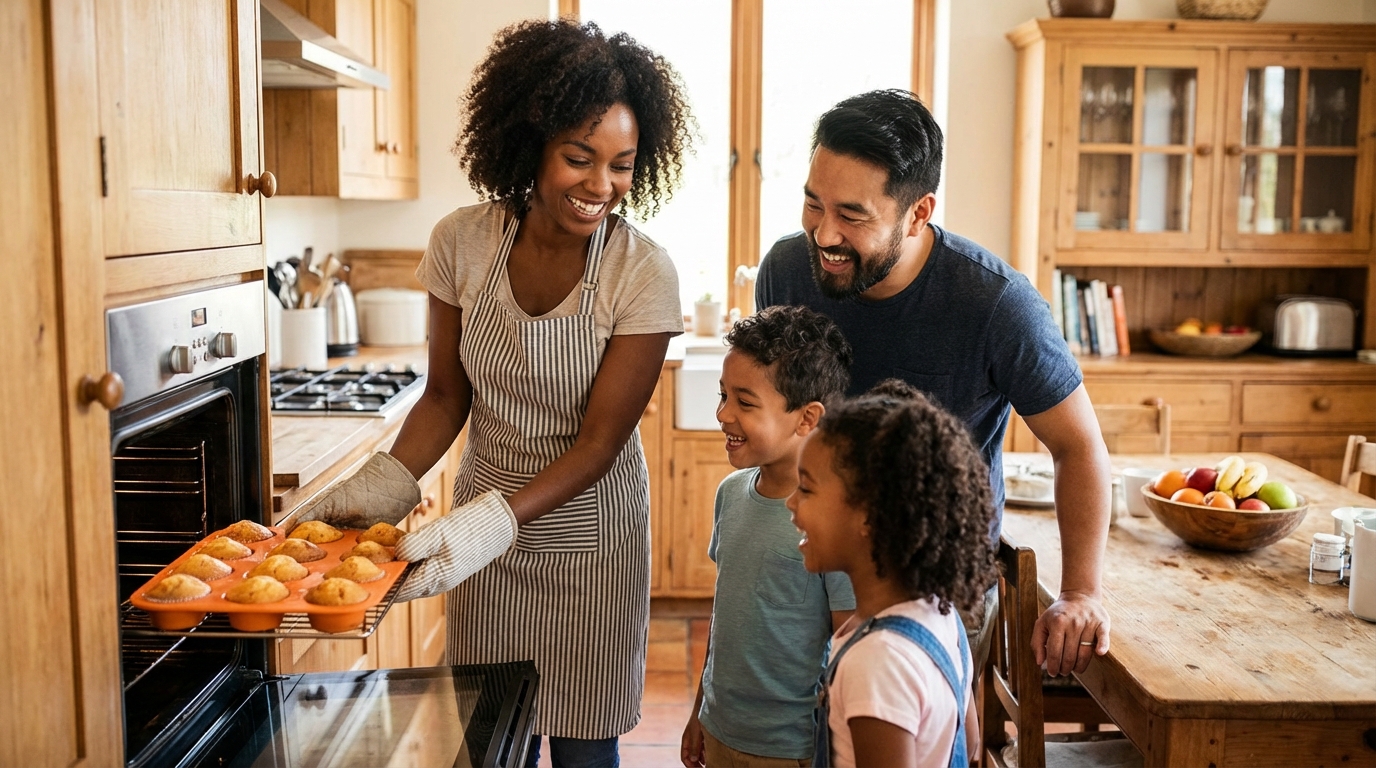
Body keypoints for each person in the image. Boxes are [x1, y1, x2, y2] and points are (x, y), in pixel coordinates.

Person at [291, 18, 693, 768]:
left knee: (583, 747)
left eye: (622, 165)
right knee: (486, 740)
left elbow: (600, 442)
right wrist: (383, 483)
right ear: (529, 141)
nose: (601, 186)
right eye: (580, 158)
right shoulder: (461, 243)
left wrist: (488, 522)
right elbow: (446, 397)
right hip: (479, 547)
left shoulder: (642, 273)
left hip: (590, 543)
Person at [755, 89, 1111, 677]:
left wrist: (1080, 593)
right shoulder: (787, 271)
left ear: (919, 212)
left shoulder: (996, 304)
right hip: (812, 563)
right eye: (813, 204)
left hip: (936, 589)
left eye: (852, 215)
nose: (823, 234)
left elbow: (1078, 447)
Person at [679, 306, 856, 768]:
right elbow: (727, 615)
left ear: (806, 418)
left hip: (791, 748)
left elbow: (850, 644)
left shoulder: (834, 521)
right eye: (723, 396)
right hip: (720, 728)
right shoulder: (730, 494)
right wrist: (701, 707)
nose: (722, 414)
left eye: (744, 402)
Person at [788, 380, 996, 768]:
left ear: (868, 513)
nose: (791, 502)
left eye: (806, 489)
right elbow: (968, 743)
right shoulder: (938, 611)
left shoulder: (877, 662)